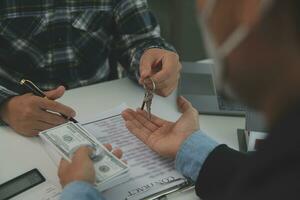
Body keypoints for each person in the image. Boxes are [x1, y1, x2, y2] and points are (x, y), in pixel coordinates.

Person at [58, 0, 300, 199]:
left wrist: (79, 189)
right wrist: (193, 149)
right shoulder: (283, 158)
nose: (202, 13)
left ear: (248, 9)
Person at [0, 0, 181, 136]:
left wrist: (153, 58)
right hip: (17, 120)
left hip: (102, 113)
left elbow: (138, 40)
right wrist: (5, 107)